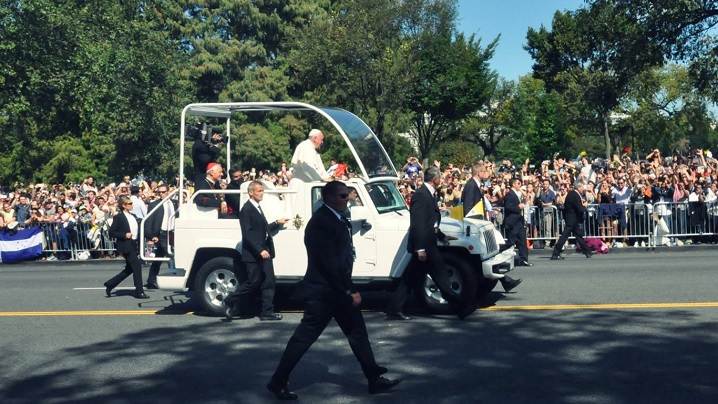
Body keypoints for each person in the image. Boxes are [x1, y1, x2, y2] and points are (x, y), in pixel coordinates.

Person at [266, 181, 401, 400]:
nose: (348, 199)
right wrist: (350, 290)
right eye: (343, 196)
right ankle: (277, 380)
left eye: (348, 195)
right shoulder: (320, 222)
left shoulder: (337, 218)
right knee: (303, 338)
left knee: (357, 333)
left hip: (335, 291)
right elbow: (330, 264)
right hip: (324, 292)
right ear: (330, 198)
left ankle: (373, 378)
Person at [384, 166, 478, 321]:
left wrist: (442, 236)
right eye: (439, 177)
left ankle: (394, 308)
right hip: (425, 245)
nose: (441, 180)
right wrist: (420, 249)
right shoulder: (421, 195)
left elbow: (431, 222)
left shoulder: (428, 193)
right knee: (440, 276)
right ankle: (462, 308)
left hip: (429, 242)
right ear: (435, 179)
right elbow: (418, 223)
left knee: (410, 278)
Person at [223, 181, 289, 320]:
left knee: (269, 281)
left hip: (265, 250)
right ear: (251, 192)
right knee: (253, 282)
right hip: (254, 254)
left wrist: (277, 223)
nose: (261, 193)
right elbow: (247, 235)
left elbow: (262, 230)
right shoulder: (246, 209)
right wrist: (260, 251)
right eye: (259, 191)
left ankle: (267, 312)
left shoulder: (258, 207)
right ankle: (230, 299)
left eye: (262, 191)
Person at [461, 163, 522, 293]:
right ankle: (505, 281)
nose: (487, 173)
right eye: (484, 171)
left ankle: (505, 281)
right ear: (479, 172)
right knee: (486, 256)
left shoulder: (475, 185)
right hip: (475, 227)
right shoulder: (471, 186)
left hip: (479, 225)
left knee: (488, 255)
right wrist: (475, 225)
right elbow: (468, 208)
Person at [103, 195, 149, 299]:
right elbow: (112, 232)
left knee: (129, 269)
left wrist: (152, 237)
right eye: (129, 204)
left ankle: (110, 284)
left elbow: (140, 230)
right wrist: (124, 235)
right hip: (126, 245)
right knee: (137, 266)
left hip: (134, 244)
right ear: (124, 205)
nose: (132, 205)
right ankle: (139, 291)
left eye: (131, 203)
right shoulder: (119, 217)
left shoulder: (133, 216)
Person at [551, 181, 595, 260]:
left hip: (572, 219)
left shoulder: (572, 194)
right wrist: (585, 206)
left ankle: (587, 251)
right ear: (579, 187)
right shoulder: (574, 195)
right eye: (582, 187)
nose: (583, 189)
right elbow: (579, 208)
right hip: (571, 220)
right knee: (564, 236)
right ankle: (556, 252)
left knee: (579, 236)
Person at [144, 185, 176, 288]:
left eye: (163, 192)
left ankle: (151, 280)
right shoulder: (154, 205)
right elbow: (149, 221)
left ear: (168, 191)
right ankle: (174, 276)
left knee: (159, 257)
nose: (161, 194)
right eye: (159, 193)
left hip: (172, 233)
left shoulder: (174, 203)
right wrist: (150, 237)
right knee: (171, 255)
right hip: (161, 234)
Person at [504, 177, 533, 267]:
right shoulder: (509, 194)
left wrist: (524, 201)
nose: (520, 185)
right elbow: (508, 206)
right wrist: (518, 207)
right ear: (514, 184)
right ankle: (499, 255)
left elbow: (521, 203)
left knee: (522, 241)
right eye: (519, 183)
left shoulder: (518, 193)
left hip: (519, 221)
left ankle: (523, 259)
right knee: (511, 242)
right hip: (512, 221)